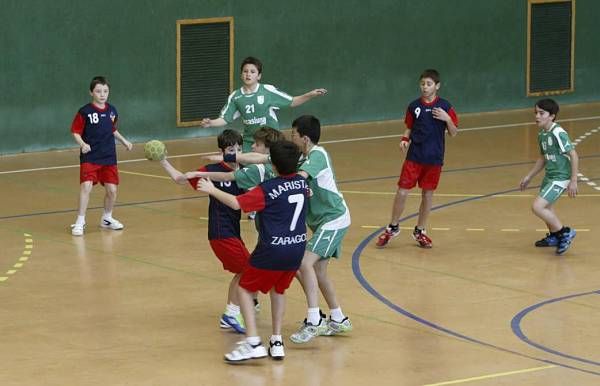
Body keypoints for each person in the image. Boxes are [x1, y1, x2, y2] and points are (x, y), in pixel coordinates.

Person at [215, 116, 353, 344]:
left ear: (305, 138)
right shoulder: (300, 157)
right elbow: (262, 158)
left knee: (304, 263)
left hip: (334, 218)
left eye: (294, 134)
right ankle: (338, 318)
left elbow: (297, 179)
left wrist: (274, 182)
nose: (291, 137)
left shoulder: (317, 155)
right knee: (318, 272)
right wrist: (228, 156)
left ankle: (314, 320)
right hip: (321, 221)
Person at [196, 140, 309, 363]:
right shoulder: (303, 184)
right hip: (296, 248)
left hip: (272, 249)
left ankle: (253, 342)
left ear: (273, 166)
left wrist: (211, 189)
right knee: (278, 290)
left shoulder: (268, 189)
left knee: (246, 289)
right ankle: (276, 341)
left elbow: (237, 203)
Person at [159, 129, 249, 333]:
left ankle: (239, 305)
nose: (235, 153)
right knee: (247, 270)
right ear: (222, 151)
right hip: (220, 232)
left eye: (238, 149)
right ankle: (232, 313)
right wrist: (164, 162)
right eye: (230, 149)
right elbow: (181, 179)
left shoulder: (245, 170)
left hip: (233, 231)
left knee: (245, 270)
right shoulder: (211, 170)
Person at [376, 69, 458, 248]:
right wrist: (405, 139)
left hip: (434, 158)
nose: (425, 87)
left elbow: (453, 133)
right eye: (422, 84)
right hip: (414, 157)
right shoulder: (414, 106)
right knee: (402, 191)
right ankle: (393, 227)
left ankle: (420, 230)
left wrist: (447, 119)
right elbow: (409, 127)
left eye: (429, 84)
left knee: (427, 194)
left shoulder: (445, 106)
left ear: (437, 86)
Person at [200, 56, 327, 152]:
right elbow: (225, 118)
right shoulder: (235, 96)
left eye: (252, 71)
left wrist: (310, 94)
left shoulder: (267, 91)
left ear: (259, 76)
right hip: (251, 142)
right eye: (245, 71)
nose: (248, 74)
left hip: (272, 141)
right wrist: (211, 123)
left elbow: (292, 101)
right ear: (241, 74)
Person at [70, 76, 133, 236]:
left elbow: (112, 129)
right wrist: (83, 144)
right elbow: (75, 132)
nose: (102, 94)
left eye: (105, 91)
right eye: (98, 91)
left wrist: (124, 141)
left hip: (108, 156)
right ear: (91, 92)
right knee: (86, 186)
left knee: (112, 190)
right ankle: (80, 221)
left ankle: (107, 218)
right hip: (90, 156)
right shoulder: (84, 112)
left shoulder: (112, 110)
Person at [519, 98, 578, 255]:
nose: (537, 116)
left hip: (561, 177)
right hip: (550, 175)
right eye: (536, 113)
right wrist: (529, 176)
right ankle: (554, 236)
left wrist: (573, 181)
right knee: (547, 208)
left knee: (537, 207)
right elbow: (543, 158)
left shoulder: (558, 132)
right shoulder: (542, 134)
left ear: (552, 116)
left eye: (541, 113)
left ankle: (564, 232)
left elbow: (573, 154)